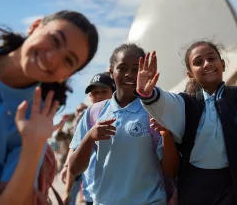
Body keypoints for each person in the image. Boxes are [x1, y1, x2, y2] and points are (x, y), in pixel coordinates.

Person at [135, 41, 237, 205]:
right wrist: (148, 93)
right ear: (190, 74)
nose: (207, 64)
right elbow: (166, 104)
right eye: (198, 62)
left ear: (222, 65)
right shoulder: (186, 103)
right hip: (196, 185)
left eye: (211, 58)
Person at [0, 10, 98, 204]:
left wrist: (33, 146)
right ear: (35, 26)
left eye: (68, 61)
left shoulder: (36, 117)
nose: (52, 59)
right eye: (54, 39)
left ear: (66, 75)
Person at [69, 43, 176, 205]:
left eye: (136, 69)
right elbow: (75, 169)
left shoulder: (155, 111)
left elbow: (172, 170)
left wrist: (167, 136)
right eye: (122, 68)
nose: (129, 74)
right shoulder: (93, 113)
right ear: (111, 72)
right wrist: (90, 137)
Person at [62, 72, 115, 205]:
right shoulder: (86, 117)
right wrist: (67, 190)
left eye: (104, 91)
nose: (99, 96)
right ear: (90, 96)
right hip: (92, 190)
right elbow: (73, 150)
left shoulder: (124, 115)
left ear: (114, 92)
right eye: (95, 92)